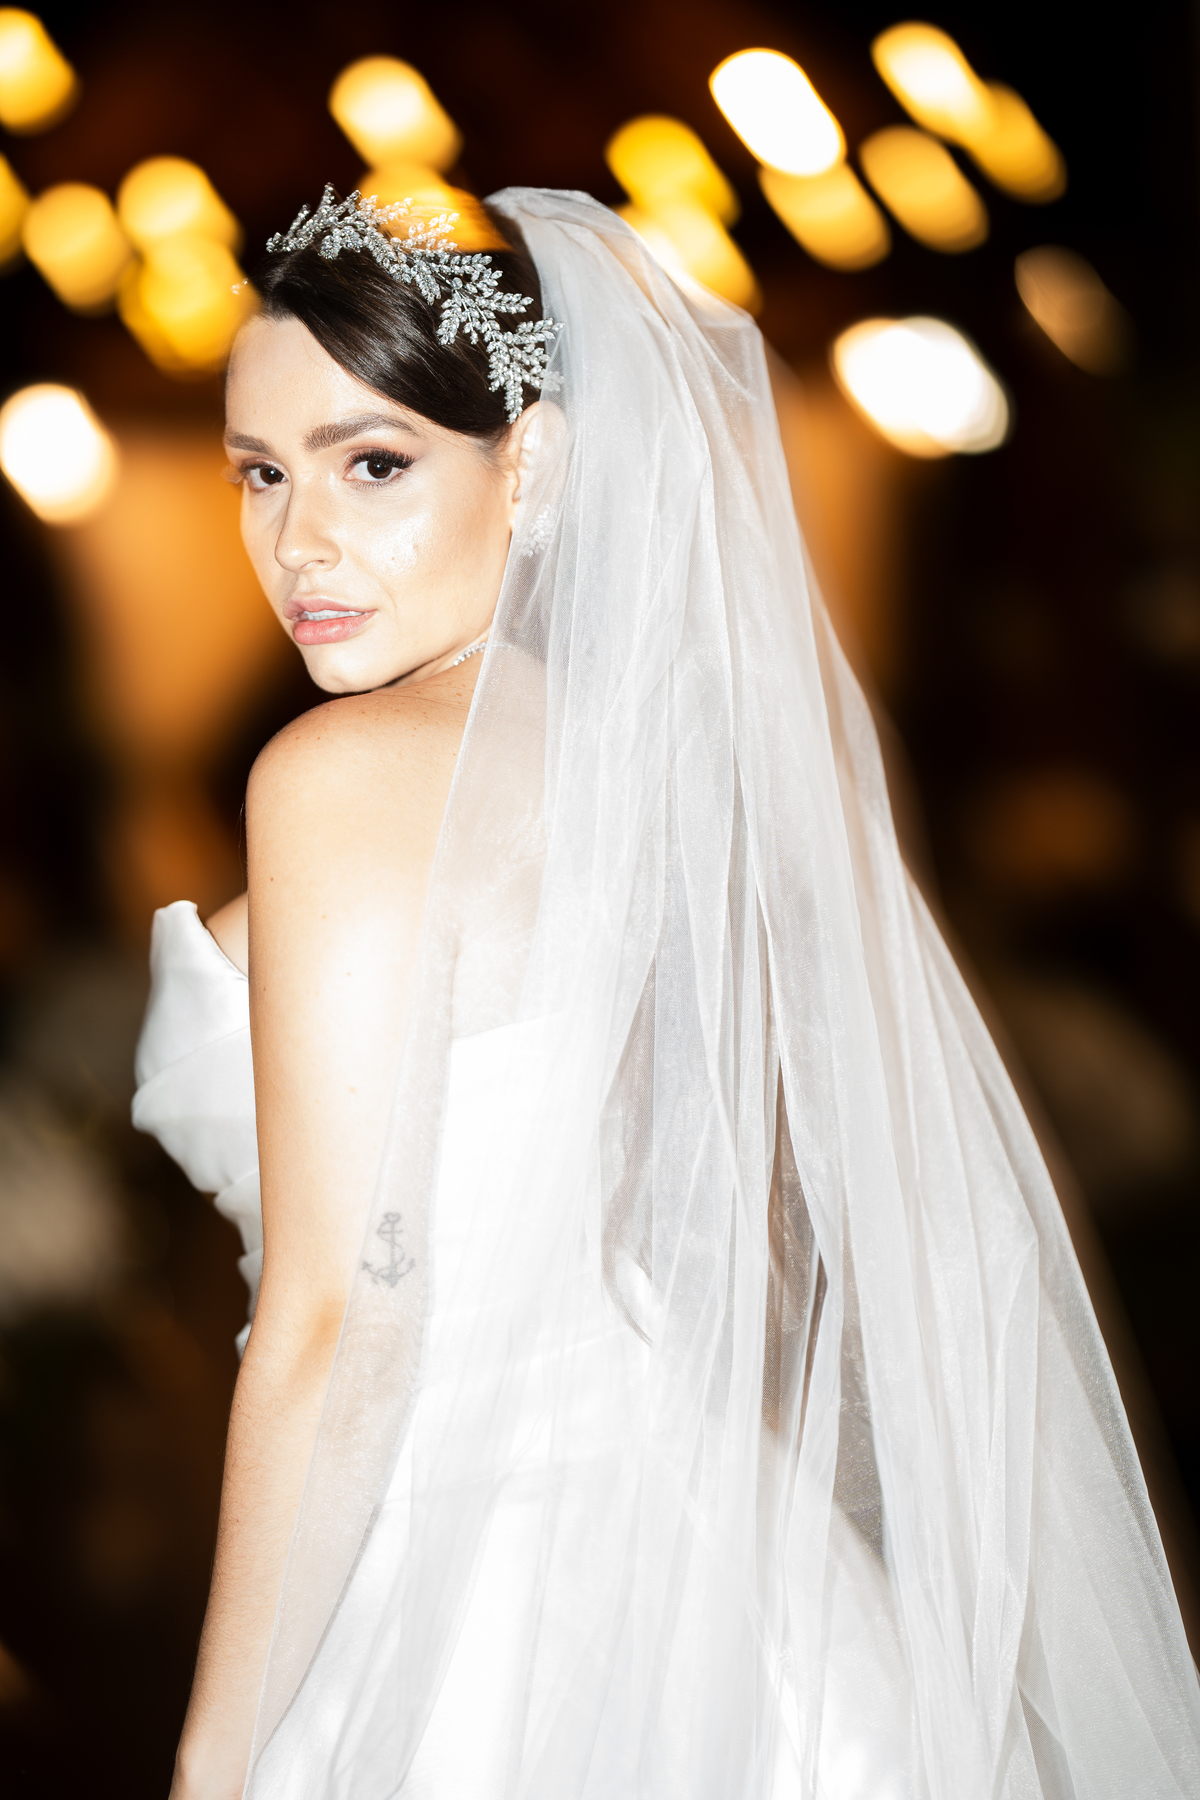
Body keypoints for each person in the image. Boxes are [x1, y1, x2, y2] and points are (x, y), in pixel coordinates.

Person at [132, 187, 1200, 1800]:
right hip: (713, 1552)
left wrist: (213, 1759)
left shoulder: (339, 775)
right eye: (261, 473)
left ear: (534, 466)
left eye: (374, 464)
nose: (299, 541)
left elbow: (348, 1322)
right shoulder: (634, 764)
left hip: (474, 1574)